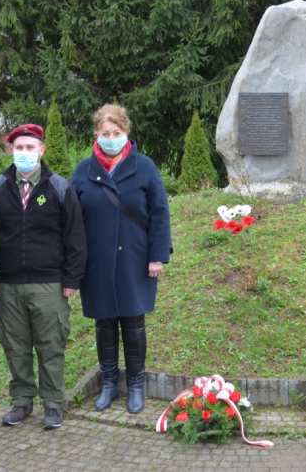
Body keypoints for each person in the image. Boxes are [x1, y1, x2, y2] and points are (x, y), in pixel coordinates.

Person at [71, 104, 171, 414]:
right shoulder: (83, 171)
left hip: (135, 258)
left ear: (126, 133)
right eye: (105, 133)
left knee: (133, 321)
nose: (110, 138)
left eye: (116, 133)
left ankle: (136, 385)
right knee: (104, 323)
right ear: (96, 135)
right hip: (96, 261)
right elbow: (72, 221)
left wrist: (157, 256)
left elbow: (159, 213)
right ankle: (110, 383)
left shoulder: (144, 167)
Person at [0, 123, 86, 431]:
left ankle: (54, 404)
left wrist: (71, 279)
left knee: (50, 345)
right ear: (10, 151)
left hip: (49, 283)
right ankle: (22, 401)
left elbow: (76, 237)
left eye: (30, 148)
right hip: (9, 285)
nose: (25, 153)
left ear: (42, 150)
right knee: (15, 345)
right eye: (19, 148)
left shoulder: (59, 187)